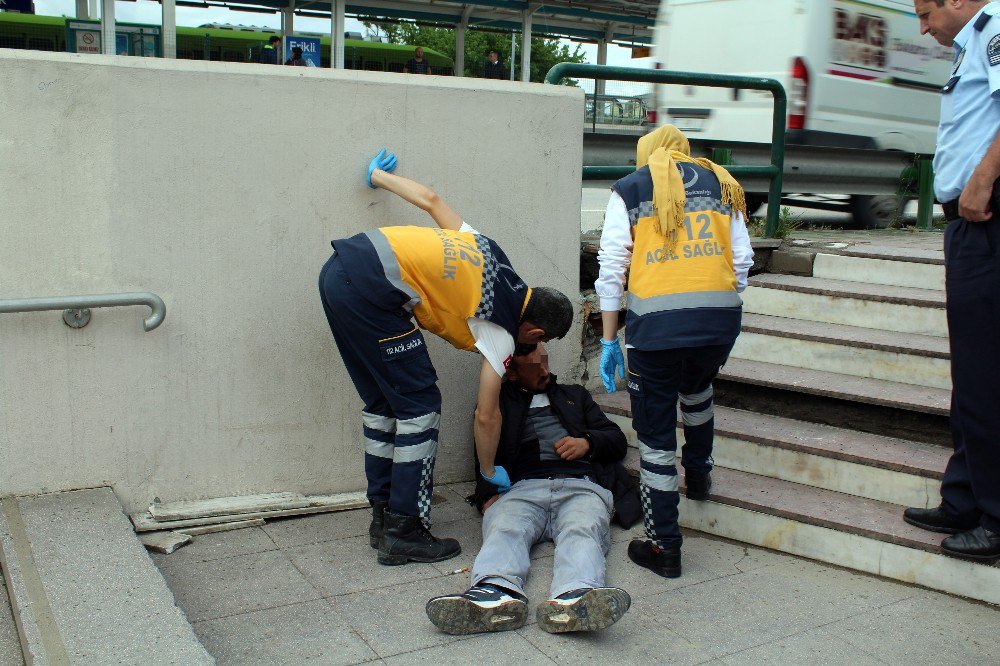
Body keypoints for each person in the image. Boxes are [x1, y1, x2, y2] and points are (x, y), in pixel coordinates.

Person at [318, 149, 574, 567]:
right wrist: (489, 470)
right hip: (373, 290)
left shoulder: (491, 252)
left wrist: (380, 177)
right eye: (538, 344)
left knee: (384, 406)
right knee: (421, 408)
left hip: (339, 270)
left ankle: (382, 517)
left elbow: (432, 200)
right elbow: (486, 415)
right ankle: (405, 527)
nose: (533, 351)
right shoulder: (501, 331)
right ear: (534, 331)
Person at [595, 125, 753, 578]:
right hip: (718, 324)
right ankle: (700, 476)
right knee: (698, 390)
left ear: (645, 154)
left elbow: (612, 269)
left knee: (656, 435)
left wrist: (609, 340)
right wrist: (712, 303)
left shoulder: (630, 188)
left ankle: (664, 546)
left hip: (657, 333)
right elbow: (741, 260)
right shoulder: (724, 182)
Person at [425, 342, 631, 635]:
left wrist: (587, 441)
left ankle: (576, 595)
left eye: (546, 363)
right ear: (511, 373)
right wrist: (486, 495)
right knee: (505, 527)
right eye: (536, 368)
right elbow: (484, 454)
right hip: (521, 488)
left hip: (579, 485)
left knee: (583, 528)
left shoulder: (575, 395)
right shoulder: (498, 403)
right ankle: (494, 592)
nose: (546, 372)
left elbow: (615, 438)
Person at [902, 0, 1000, 562]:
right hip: (967, 225)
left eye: (924, 12)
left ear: (958, 1)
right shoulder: (971, 47)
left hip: (986, 220)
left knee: (987, 375)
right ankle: (964, 496)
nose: (923, 27)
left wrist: (983, 180)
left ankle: (995, 516)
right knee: (971, 372)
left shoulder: (995, 30)